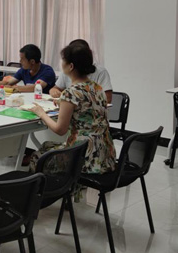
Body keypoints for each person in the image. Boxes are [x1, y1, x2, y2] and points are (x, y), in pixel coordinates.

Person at [29, 44, 116, 174]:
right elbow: (86, 107)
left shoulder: (70, 93)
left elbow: (60, 130)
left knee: (38, 157)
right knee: (46, 145)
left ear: (70, 66)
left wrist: (41, 113)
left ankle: (51, 186)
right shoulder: (97, 88)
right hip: (105, 152)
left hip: (83, 156)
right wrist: (63, 104)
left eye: (63, 60)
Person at [50, 39, 113, 104]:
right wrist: (54, 91)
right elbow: (56, 88)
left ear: (71, 66)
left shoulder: (70, 95)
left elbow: (107, 99)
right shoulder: (94, 86)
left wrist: (65, 102)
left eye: (64, 60)